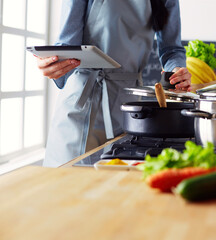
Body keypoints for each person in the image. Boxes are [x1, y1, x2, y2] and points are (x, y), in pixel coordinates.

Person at [36, 0, 191, 167]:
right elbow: (67, 46)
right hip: (83, 104)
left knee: (117, 185)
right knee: (68, 185)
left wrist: (177, 69)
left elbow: (171, 50)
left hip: (130, 110)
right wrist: (54, 65)